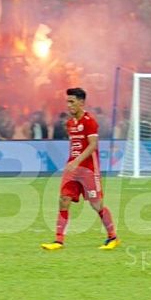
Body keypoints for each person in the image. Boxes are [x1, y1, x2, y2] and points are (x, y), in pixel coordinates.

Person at [42, 88, 119, 251]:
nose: (68, 105)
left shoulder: (89, 121)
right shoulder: (70, 123)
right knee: (63, 200)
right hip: (72, 169)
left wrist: (77, 161)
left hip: (89, 170)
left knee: (96, 205)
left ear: (81, 102)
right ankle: (58, 241)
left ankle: (113, 237)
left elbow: (93, 145)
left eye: (72, 102)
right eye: (67, 102)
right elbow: (75, 146)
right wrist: (72, 163)